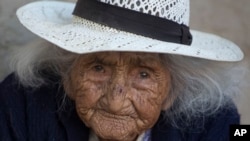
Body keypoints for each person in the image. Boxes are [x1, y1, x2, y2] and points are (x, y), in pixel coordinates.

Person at [0, 0, 246, 141]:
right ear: (68, 76)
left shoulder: (217, 122)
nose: (116, 103)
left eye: (143, 74)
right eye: (98, 68)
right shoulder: (19, 102)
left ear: (173, 90)